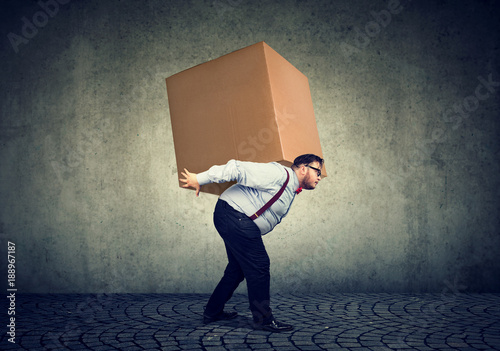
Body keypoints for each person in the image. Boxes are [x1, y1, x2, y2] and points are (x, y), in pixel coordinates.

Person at [179, 154, 323, 332]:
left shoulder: (291, 187)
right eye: (317, 171)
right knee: (260, 265)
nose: (319, 177)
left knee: (236, 269)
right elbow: (236, 168)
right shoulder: (279, 174)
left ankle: (212, 311)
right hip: (235, 216)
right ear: (303, 168)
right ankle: (263, 319)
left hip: (233, 217)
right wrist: (198, 179)